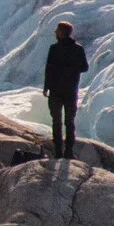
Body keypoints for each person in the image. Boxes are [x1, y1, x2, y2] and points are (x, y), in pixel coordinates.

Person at [43, 20, 90, 161]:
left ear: (62, 32)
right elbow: (85, 67)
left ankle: (58, 152)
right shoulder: (78, 49)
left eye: (57, 30)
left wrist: (46, 87)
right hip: (71, 91)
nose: (55, 32)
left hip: (56, 91)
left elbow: (49, 70)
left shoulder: (54, 48)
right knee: (69, 122)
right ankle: (69, 152)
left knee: (56, 121)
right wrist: (72, 70)